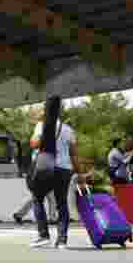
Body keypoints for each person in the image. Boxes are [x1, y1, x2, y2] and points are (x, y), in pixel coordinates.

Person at [29, 95, 84, 249]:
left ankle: (43, 235)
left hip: (45, 167)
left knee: (37, 198)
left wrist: (39, 133)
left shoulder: (41, 125)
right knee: (62, 203)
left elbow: (34, 144)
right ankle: (62, 241)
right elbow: (74, 154)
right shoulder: (68, 130)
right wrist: (80, 174)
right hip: (64, 170)